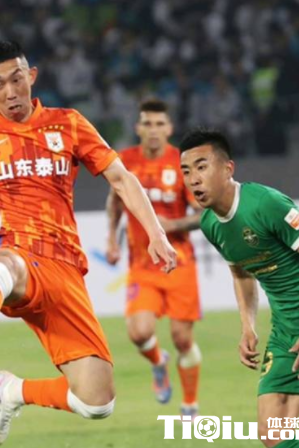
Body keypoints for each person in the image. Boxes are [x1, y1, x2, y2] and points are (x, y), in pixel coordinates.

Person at [0, 41, 177, 445]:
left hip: (66, 266)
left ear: (32, 76)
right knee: (7, 266)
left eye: (16, 79)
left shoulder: (68, 123)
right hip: (16, 252)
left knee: (96, 400)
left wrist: (155, 232)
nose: (10, 92)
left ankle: (12, 390)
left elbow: (122, 178)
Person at [179, 128, 299, 448]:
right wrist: (248, 326)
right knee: (273, 433)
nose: (193, 179)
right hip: (289, 329)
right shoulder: (210, 224)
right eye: (186, 171)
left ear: (227, 168)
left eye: (202, 167)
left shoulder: (265, 203)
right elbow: (242, 273)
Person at [105, 99, 202, 417]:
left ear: (169, 128)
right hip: (142, 265)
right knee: (139, 332)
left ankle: (190, 404)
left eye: (160, 124)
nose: (154, 130)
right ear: (138, 128)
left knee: (182, 339)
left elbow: (202, 214)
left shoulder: (182, 163)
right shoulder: (125, 160)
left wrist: (171, 226)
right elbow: (115, 201)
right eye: (147, 123)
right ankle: (158, 362)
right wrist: (111, 238)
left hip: (179, 264)